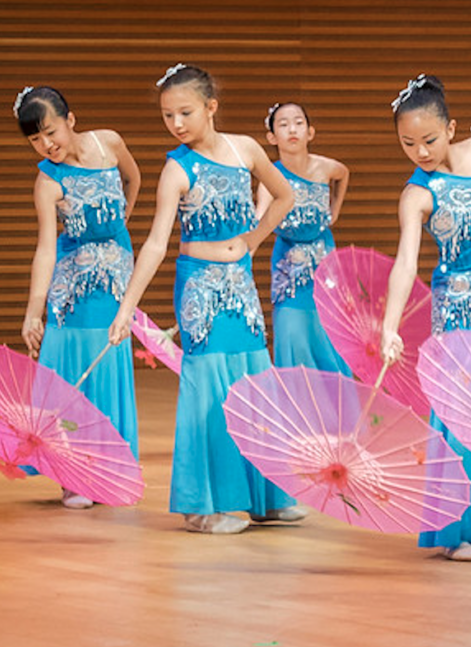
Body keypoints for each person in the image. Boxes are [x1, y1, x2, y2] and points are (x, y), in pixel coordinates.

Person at [107, 64, 302, 534]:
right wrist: (126, 307)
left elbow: (285, 198)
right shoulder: (176, 168)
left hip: (240, 283)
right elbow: (156, 243)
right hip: (199, 288)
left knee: (255, 380)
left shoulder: (247, 149)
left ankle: (266, 498)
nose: (176, 123)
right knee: (208, 390)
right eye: (167, 115)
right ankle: (201, 507)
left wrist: (253, 241)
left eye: (185, 112)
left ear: (211, 107)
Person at [380, 74, 471, 562]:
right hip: (459, 302)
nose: (420, 151)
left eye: (429, 140)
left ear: (452, 128)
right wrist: (389, 326)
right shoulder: (417, 193)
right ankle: (458, 528)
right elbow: (406, 263)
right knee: (462, 409)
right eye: (407, 144)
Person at [15, 86, 140, 510]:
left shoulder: (109, 141)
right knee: (74, 377)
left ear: (71, 120)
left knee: (109, 365)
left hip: (116, 279)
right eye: (35, 140)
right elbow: (46, 249)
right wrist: (34, 312)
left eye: (50, 132)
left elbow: (133, 178)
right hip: (74, 291)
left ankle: (109, 466)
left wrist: (119, 226)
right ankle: (72, 474)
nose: (46, 144)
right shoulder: (48, 182)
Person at [256, 102, 351, 374]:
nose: (292, 129)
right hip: (289, 262)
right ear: (272, 137)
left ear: (310, 132)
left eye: (298, 122)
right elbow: (260, 218)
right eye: (283, 125)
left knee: (329, 332)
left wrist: (335, 209)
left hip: (325, 256)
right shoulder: (270, 177)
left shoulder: (325, 167)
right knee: (292, 331)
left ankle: (337, 408)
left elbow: (343, 174)